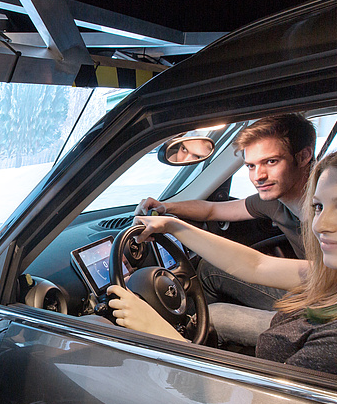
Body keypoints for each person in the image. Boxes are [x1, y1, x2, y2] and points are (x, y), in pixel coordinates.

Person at [109, 133, 337, 382]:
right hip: (277, 355)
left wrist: (160, 334)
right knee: (215, 312)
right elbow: (257, 265)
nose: (321, 225)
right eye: (319, 207)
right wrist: (174, 225)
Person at [135, 113, 316, 310]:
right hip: (316, 289)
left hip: (329, 305)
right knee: (209, 269)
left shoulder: (332, 207)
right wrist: (165, 207)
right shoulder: (273, 201)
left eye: (271, 162)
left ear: (303, 156)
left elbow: (259, 266)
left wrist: (173, 226)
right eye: (251, 166)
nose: (259, 176)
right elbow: (211, 210)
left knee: (218, 316)